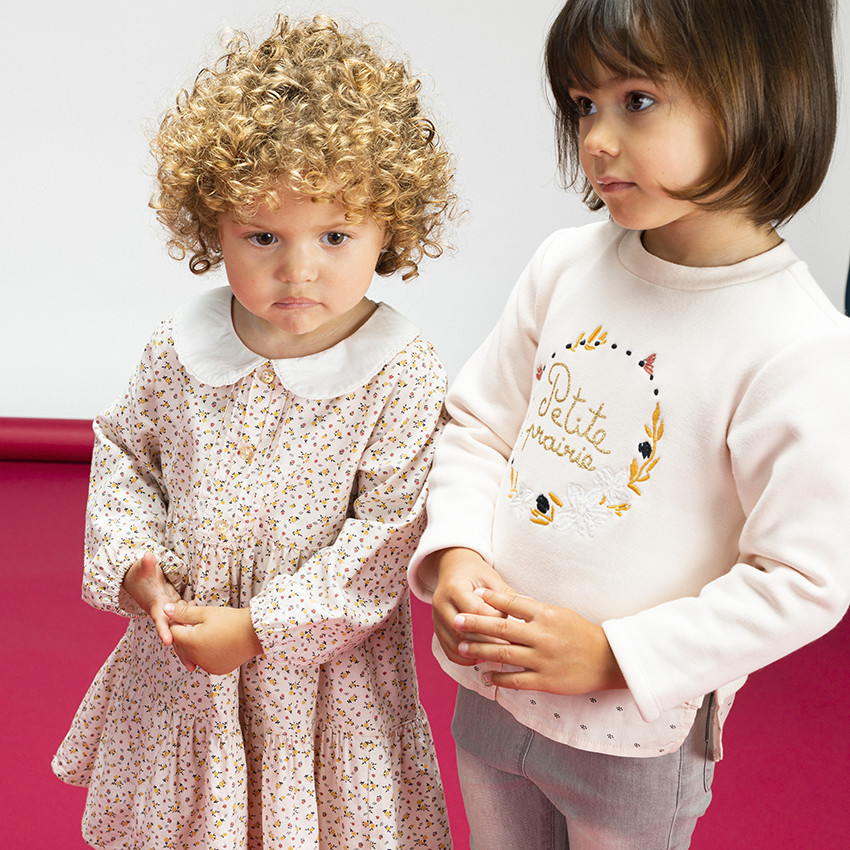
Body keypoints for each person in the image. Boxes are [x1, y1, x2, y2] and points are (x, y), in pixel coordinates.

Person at [408, 1, 850, 847]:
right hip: (492, 698)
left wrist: (614, 656)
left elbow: (802, 580)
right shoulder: (564, 266)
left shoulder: (798, 347)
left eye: (637, 100)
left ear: (760, 92)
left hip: (633, 738)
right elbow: (477, 426)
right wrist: (459, 551)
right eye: (584, 105)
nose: (598, 139)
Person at [52, 15, 458, 850]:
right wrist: (136, 564)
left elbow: (386, 536)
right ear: (214, 227)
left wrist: (264, 631)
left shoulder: (399, 370)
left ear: (391, 230)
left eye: (336, 236)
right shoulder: (181, 347)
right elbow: (129, 455)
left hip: (317, 683)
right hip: (187, 658)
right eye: (262, 236)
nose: (299, 268)